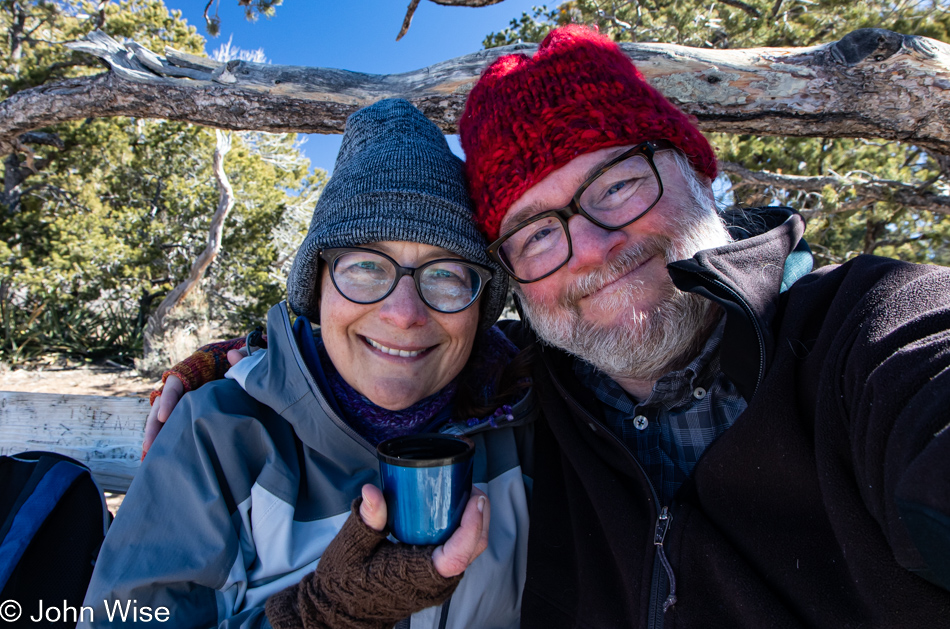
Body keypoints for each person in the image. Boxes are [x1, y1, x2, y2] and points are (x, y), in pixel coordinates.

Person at [452, 24, 950, 628]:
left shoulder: (865, 323)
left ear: (699, 178)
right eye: (535, 234)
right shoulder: (517, 395)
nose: (589, 247)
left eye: (616, 184)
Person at [81, 98, 535, 629]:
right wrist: (316, 618)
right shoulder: (221, 435)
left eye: (447, 274)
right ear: (316, 288)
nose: (405, 314)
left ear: (481, 305)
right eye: (366, 266)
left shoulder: (528, 417)